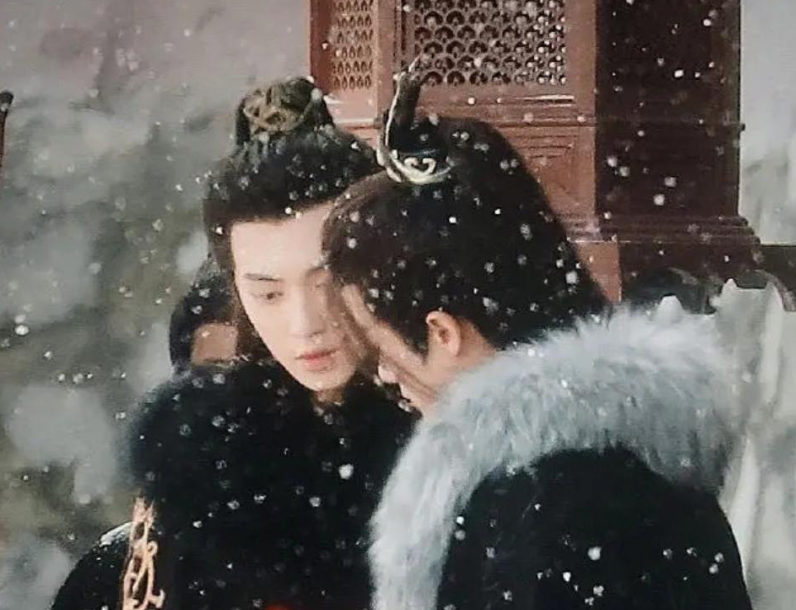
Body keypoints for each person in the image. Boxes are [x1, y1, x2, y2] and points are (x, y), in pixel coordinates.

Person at [322, 69, 753, 610]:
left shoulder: (534, 504)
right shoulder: (632, 455)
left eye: (376, 342)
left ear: (442, 332)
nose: (384, 372)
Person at [51, 77, 414, 610]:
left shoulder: (448, 428)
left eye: (328, 283)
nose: (305, 324)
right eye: (268, 293)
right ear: (235, 289)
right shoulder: (204, 458)